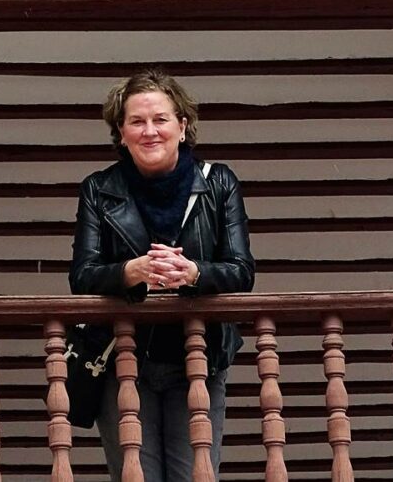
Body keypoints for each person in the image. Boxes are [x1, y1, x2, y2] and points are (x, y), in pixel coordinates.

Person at [69, 69, 256, 482]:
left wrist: (193, 273)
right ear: (121, 132)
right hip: (123, 361)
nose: (149, 131)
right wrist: (130, 272)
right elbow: (82, 276)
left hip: (198, 359)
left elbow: (242, 271)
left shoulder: (219, 183)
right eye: (136, 121)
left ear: (182, 126)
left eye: (160, 119)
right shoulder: (98, 189)